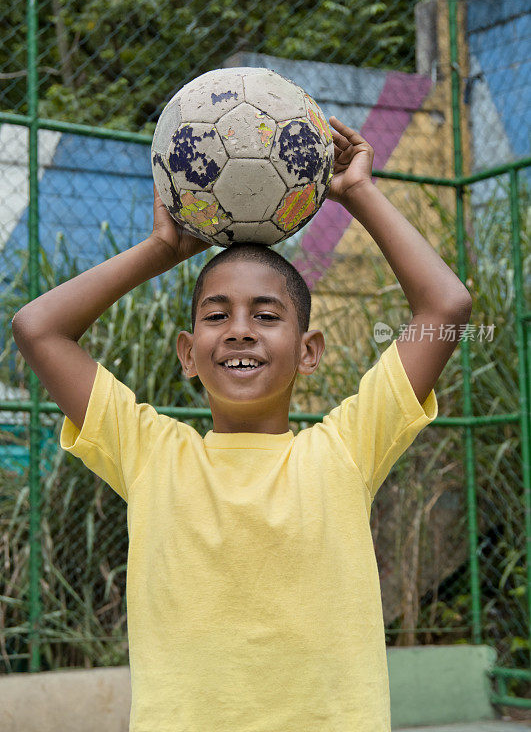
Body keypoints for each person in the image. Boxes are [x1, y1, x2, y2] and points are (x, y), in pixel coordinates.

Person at [12, 116, 472, 732]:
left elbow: (446, 307)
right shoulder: (150, 451)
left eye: (266, 314)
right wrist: (160, 251)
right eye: (217, 314)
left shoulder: (344, 450)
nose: (239, 329)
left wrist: (357, 191)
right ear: (187, 352)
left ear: (309, 351)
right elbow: (38, 328)